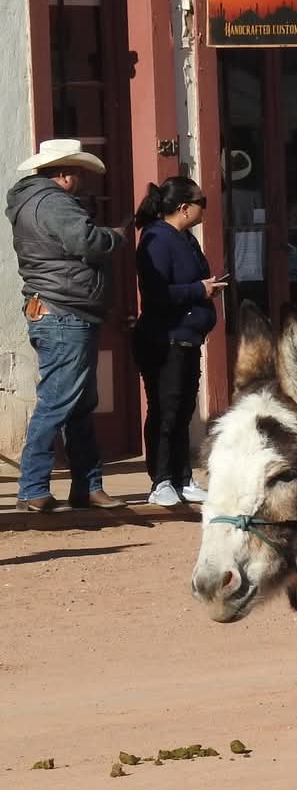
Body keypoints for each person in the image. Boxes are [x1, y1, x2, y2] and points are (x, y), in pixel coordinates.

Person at [7, 138, 127, 512]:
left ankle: (87, 487)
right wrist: (114, 237)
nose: (82, 180)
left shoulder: (34, 200)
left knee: (77, 404)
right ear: (64, 173)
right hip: (65, 312)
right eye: (79, 173)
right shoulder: (54, 202)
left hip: (60, 310)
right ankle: (33, 489)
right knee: (59, 403)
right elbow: (87, 242)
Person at [133, 177, 226, 505]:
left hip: (188, 339)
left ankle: (183, 478)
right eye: (202, 203)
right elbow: (156, 293)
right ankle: (161, 481)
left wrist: (206, 289)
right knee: (165, 411)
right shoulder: (156, 238)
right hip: (164, 340)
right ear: (184, 208)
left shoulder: (187, 239)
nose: (205, 209)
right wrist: (199, 290)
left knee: (184, 410)